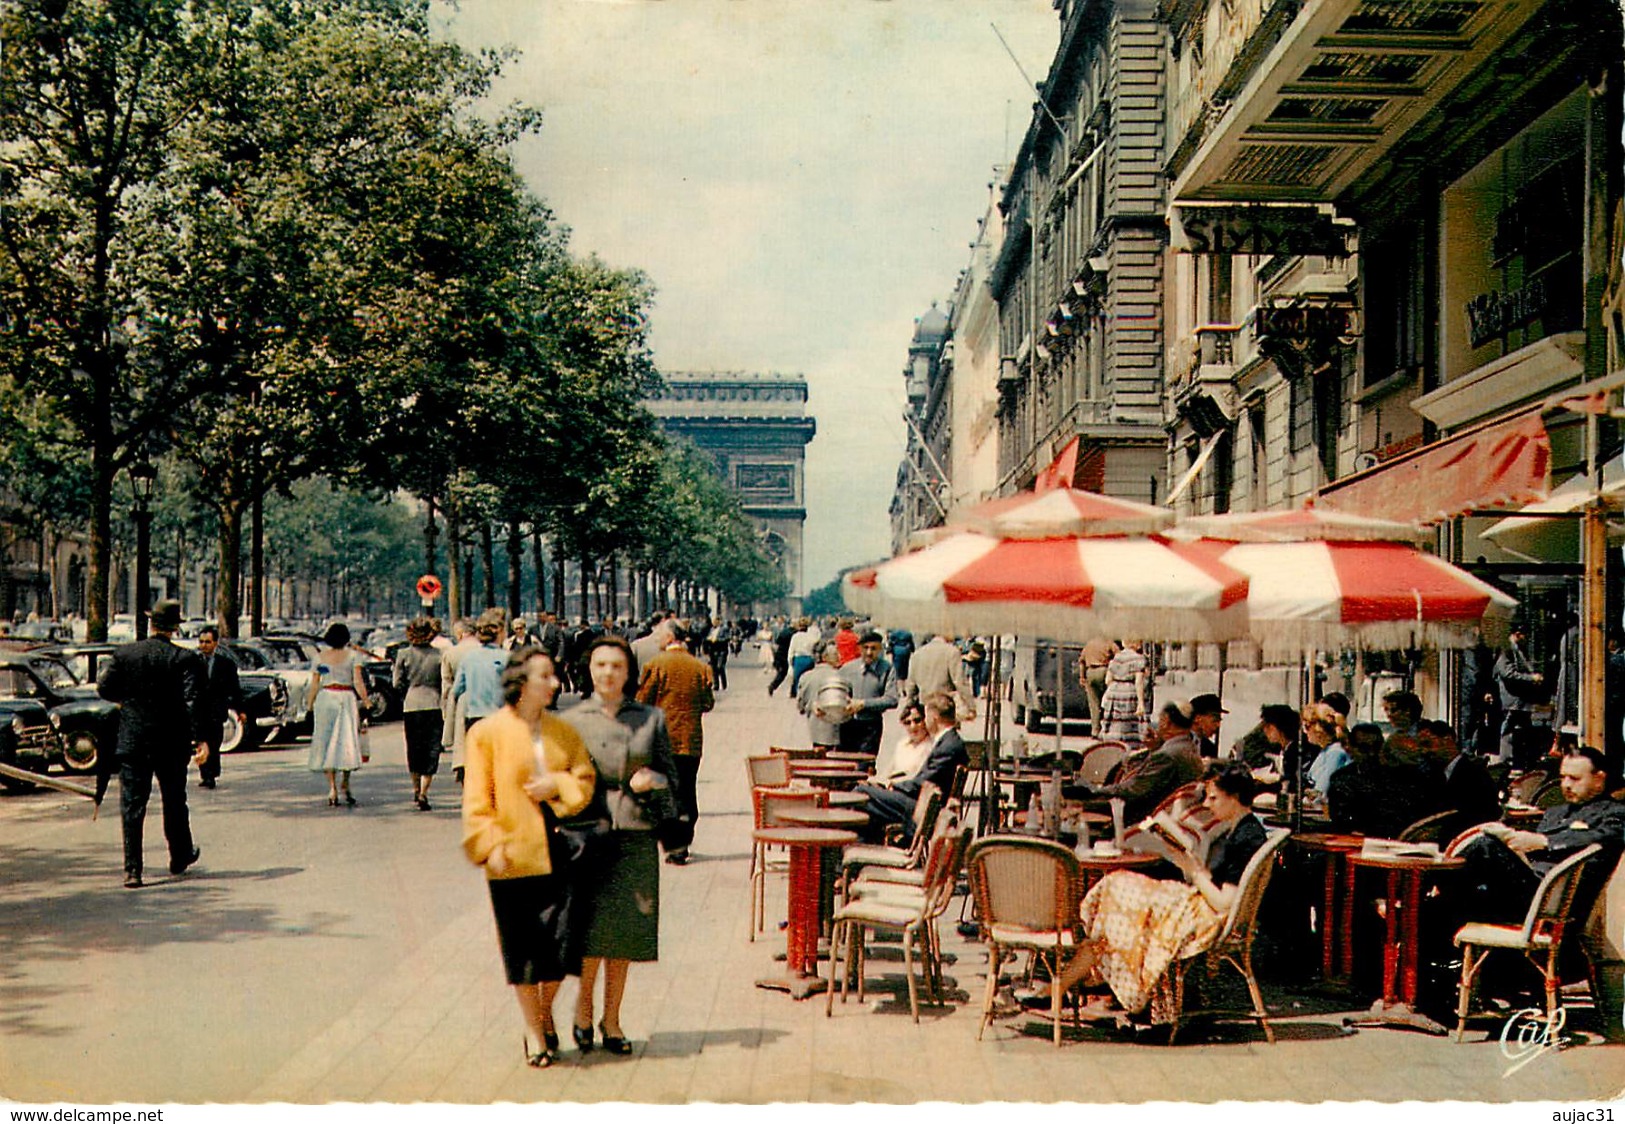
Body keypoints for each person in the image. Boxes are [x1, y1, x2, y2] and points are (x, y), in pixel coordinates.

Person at [462, 647, 597, 1069]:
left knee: (560, 947)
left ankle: (542, 1012)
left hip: (561, 849)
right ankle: (535, 1032)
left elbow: (584, 777)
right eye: (546, 676)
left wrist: (556, 785)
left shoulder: (563, 730)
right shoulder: (486, 733)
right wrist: (490, 845)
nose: (555, 684)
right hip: (512, 851)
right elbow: (476, 799)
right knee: (522, 949)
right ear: (522, 682)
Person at [1052, 762, 1267, 1023]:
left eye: (1214, 798)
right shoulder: (1241, 829)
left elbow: (1224, 903)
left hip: (1206, 917)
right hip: (1200, 905)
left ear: (1233, 797)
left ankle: (1062, 987)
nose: (1208, 805)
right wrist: (1188, 864)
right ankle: (1065, 986)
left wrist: (1196, 874)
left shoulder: (1245, 838)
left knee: (1118, 894)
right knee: (1118, 885)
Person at [563, 635, 678, 1056]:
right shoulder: (571, 720)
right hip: (587, 834)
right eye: (600, 665)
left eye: (616, 666)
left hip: (636, 832)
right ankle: (582, 1008)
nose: (608, 673)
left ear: (629, 672)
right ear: (589, 670)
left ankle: (612, 1020)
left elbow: (672, 780)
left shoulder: (651, 719)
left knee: (626, 931)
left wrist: (654, 785)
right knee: (591, 928)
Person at [96, 599, 209, 889]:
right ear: (175, 628)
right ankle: (180, 855)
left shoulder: (125, 654)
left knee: (132, 806)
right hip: (172, 742)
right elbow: (192, 701)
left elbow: (104, 688)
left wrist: (129, 702)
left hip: (134, 740)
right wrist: (200, 739)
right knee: (174, 800)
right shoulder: (186, 659)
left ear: (151, 623)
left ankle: (132, 870)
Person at [1455, 746, 1625, 925]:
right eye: (1563, 777)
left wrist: (1544, 841)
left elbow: (1606, 837)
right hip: (1524, 889)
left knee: (1486, 846)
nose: (1566, 785)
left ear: (1599, 780)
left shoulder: (1614, 813)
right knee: (1444, 905)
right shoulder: (1555, 813)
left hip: (1551, 901)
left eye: (1575, 779)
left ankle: (1436, 876)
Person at [636, 622, 714, 866]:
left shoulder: (655, 666)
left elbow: (642, 701)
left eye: (658, 635)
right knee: (687, 790)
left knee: (665, 792)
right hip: (690, 740)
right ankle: (684, 843)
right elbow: (707, 703)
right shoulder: (700, 667)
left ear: (669, 637)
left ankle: (673, 844)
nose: (655, 639)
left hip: (662, 741)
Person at [852, 691, 967, 843]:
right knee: (865, 798)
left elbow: (922, 783)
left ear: (934, 717)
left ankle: (849, 848)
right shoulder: (948, 742)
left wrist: (894, 786)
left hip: (922, 808)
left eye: (924, 717)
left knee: (861, 794)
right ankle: (862, 844)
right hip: (921, 802)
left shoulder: (948, 746)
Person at [1068, 701, 1203, 824]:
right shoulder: (1188, 748)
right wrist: (1154, 748)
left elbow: (1133, 789)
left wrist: (1096, 790)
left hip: (1137, 816)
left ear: (1165, 722)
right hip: (1156, 811)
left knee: (1071, 804)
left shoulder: (1166, 755)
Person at [305, 621, 371, 808]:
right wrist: (366, 701)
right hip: (346, 698)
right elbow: (358, 682)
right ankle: (346, 782)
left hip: (326, 698)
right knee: (346, 740)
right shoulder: (353, 656)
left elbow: (315, 683)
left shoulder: (320, 658)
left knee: (326, 741)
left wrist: (310, 706)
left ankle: (332, 787)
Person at [1415, 719, 1501, 840]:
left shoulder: (1475, 775)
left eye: (1427, 744)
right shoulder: (1433, 777)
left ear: (1447, 739)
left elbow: (1482, 818)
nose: (1424, 752)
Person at [394, 617, 445, 811]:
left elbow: (396, 682)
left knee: (414, 748)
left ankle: (415, 788)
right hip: (433, 703)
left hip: (412, 703)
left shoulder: (403, 654)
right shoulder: (439, 655)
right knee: (431, 749)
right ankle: (424, 790)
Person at [193, 625, 242, 790]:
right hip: (198, 711)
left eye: (207, 642)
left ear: (215, 643)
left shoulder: (226, 664)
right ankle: (206, 774)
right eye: (201, 642)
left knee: (214, 744)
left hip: (216, 711)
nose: (204, 645)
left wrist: (240, 709)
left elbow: (234, 688)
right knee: (201, 742)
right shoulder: (193, 662)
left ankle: (212, 773)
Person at [838, 630, 899, 754]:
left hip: (871, 726)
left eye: (873, 648)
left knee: (864, 766)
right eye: (865, 648)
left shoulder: (887, 669)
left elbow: (892, 699)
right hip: (847, 725)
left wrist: (864, 704)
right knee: (845, 764)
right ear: (859, 648)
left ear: (880, 649)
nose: (869, 652)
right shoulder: (847, 669)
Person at [1493, 626, 1545, 767]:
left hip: (1521, 699)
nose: (1526, 640)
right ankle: (1505, 761)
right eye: (1524, 636)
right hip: (1512, 697)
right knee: (1508, 729)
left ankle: (1526, 758)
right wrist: (1531, 678)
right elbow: (1507, 673)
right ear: (1517, 634)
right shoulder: (1506, 649)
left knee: (1523, 728)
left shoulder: (1519, 650)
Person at [440, 619, 479, 784]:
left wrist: (447, 706)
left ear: (461, 633)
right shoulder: (485, 650)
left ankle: (463, 768)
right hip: (484, 697)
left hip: (462, 698)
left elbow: (447, 683)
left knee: (462, 738)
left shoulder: (451, 653)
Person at [908, 632, 976, 720]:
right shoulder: (952, 652)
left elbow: (911, 685)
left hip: (924, 705)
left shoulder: (917, 654)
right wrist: (971, 706)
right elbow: (960, 682)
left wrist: (910, 706)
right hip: (945, 706)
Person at [796, 641, 849, 752]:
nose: (839, 657)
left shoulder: (805, 677)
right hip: (838, 731)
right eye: (835, 654)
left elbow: (800, 706)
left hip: (815, 731)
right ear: (824, 657)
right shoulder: (841, 676)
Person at [1097, 640, 1149, 743]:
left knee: (1115, 723)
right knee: (1128, 724)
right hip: (1129, 693)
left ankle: (1114, 744)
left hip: (1114, 692)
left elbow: (1107, 680)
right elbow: (1139, 682)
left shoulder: (1116, 658)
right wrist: (1141, 703)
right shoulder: (1138, 659)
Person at [871, 699, 932, 785]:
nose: (913, 726)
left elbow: (917, 777)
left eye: (917, 720)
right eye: (908, 722)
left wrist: (892, 783)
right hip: (890, 786)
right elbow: (888, 770)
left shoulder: (930, 747)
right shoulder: (902, 744)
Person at [1079, 637, 1120, 738]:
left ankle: (1095, 730)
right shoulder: (1108, 642)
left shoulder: (1089, 643)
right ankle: (1108, 728)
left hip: (1090, 672)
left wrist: (1082, 676)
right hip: (1104, 672)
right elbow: (1119, 655)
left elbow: (1081, 661)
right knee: (1108, 701)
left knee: (1093, 703)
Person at [1303, 709, 1350, 795]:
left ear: (1319, 729)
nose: (1305, 732)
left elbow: (1321, 792)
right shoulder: (1325, 751)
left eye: (1307, 726)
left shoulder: (1335, 754)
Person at [1189, 693, 1225, 759]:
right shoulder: (1178, 741)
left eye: (1219, 721)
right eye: (1214, 720)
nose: (1218, 725)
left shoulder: (1210, 749)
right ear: (1197, 718)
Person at [787, 619, 818, 695]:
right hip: (809, 658)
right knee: (808, 677)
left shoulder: (795, 637)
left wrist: (790, 661)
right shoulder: (811, 637)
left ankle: (798, 693)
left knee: (797, 678)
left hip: (798, 659)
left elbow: (791, 649)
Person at [767, 618, 794, 696]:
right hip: (789, 654)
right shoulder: (795, 634)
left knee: (782, 673)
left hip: (781, 654)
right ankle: (793, 691)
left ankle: (773, 686)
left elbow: (777, 643)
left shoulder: (783, 632)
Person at [704, 621, 731, 691]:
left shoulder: (724, 629)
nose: (714, 623)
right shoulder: (711, 630)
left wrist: (718, 640)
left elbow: (727, 638)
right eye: (713, 622)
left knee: (720, 667)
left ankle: (724, 684)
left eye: (715, 622)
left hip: (721, 650)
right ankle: (716, 684)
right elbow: (708, 637)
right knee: (714, 668)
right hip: (713, 650)